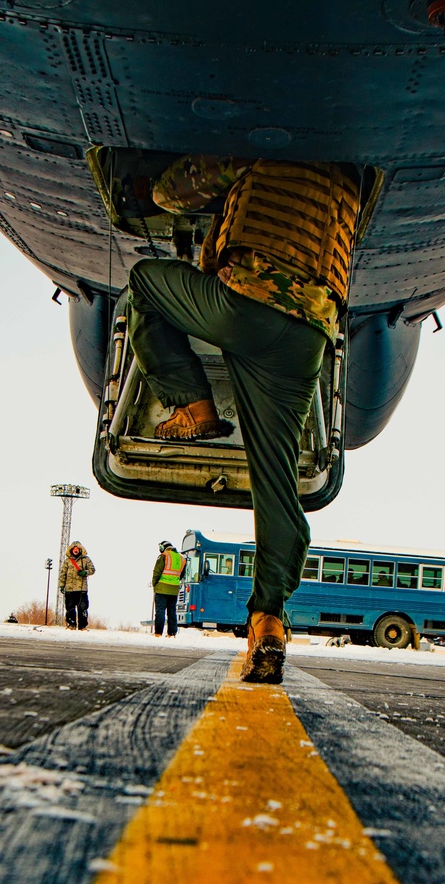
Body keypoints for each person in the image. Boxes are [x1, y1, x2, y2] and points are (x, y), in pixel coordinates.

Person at [127, 155, 360, 683]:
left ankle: (192, 405)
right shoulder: (350, 186)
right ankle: (269, 619)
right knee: (275, 482)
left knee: (144, 283)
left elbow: (173, 193)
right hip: (308, 337)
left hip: (248, 302)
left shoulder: (265, 150)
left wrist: (158, 189)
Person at [58, 540, 95, 630]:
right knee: (70, 608)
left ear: (80, 550)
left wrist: (85, 572)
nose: (75, 550)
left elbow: (92, 569)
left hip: (82, 589)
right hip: (70, 589)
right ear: (71, 550)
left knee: (83, 608)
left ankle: (82, 626)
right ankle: (71, 625)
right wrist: (62, 586)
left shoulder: (86, 560)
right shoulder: (67, 561)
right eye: (74, 548)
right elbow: (63, 574)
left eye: (77, 548)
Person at [151, 540, 184, 637]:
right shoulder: (181, 558)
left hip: (162, 588)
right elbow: (181, 575)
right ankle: (172, 633)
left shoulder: (164, 556)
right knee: (172, 611)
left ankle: (158, 633)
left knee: (160, 611)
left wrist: (155, 584)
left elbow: (157, 572)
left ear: (163, 548)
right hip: (174, 590)